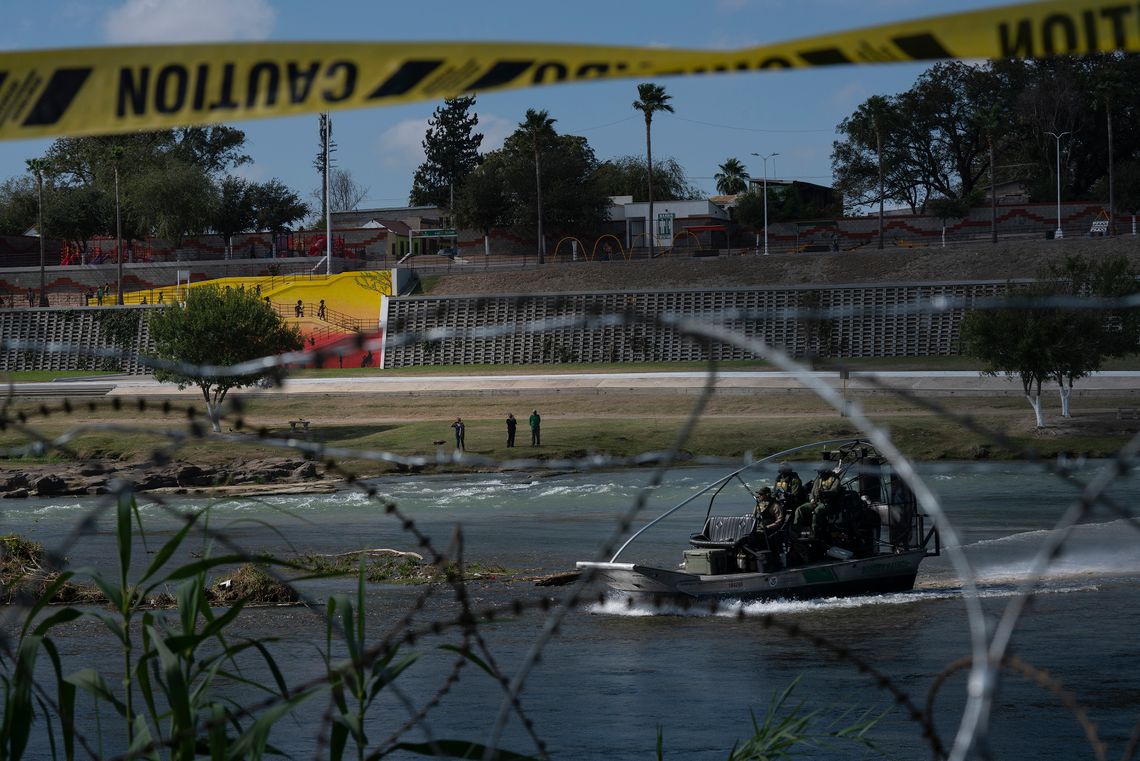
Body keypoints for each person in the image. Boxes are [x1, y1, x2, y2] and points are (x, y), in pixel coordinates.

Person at [797, 467, 843, 540]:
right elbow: (812, 492)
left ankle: (814, 533)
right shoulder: (818, 479)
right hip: (816, 501)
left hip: (829, 503)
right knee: (800, 509)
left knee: (817, 511)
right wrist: (812, 500)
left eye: (820, 472)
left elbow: (834, 492)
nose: (819, 474)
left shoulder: (835, 479)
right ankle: (801, 532)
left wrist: (824, 493)